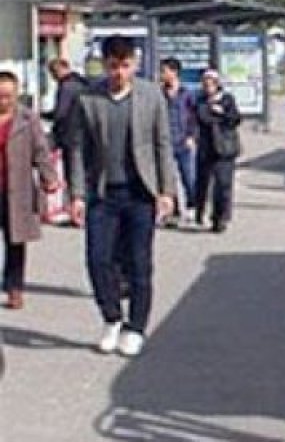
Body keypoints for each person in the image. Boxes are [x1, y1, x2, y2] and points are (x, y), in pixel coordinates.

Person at [68, 36, 176, 357]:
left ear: (135, 64)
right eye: (113, 66)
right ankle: (112, 317)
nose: (119, 72)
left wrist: (166, 191)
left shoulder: (151, 96)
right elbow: (76, 151)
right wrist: (76, 195)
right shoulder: (88, 99)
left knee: (139, 263)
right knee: (98, 260)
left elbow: (162, 145)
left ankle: (136, 327)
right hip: (103, 194)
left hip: (140, 194)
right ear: (104, 64)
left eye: (125, 65)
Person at [0, 72, 61, 310]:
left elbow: (40, 151)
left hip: (17, 190)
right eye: (0, 96)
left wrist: (49, 178)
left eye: (8, 96)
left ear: (16, 94)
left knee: (15, 241)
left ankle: (15, 288)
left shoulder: (27, 119)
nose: (4, 100)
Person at [193, 70, 241, 233]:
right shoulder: (200, 100)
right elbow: (202, 117)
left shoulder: (228, 99)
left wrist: (223, 113)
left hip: (225, 148)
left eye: (211, 83)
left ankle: (221, 218)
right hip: (206, 148)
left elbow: (235, 119)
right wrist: (215, 114)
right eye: (205, 84)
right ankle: (201, 213)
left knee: (223, 184)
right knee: (203, 184)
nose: (208, 87)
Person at [46, 59, 89, 226]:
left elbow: (60, 113)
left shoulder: (66, 86)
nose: (53, 77)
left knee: (73, 176)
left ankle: (76, 214)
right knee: (83, 175)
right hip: (83, 135)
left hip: (69, 136)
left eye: (54, 72)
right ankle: (83, 212)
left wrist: (45, 115)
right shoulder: (82, 84)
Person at [158, 58, 198, 228]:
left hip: (183, 141)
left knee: (188, 176)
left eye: (164, 71)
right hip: (164, 142)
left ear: (174, 72)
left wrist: (192, 136)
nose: (162, 74)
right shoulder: (158, 93)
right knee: (167, 178)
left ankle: (192, 206)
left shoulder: (186, 94)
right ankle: (171, 211)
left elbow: (194, 116)